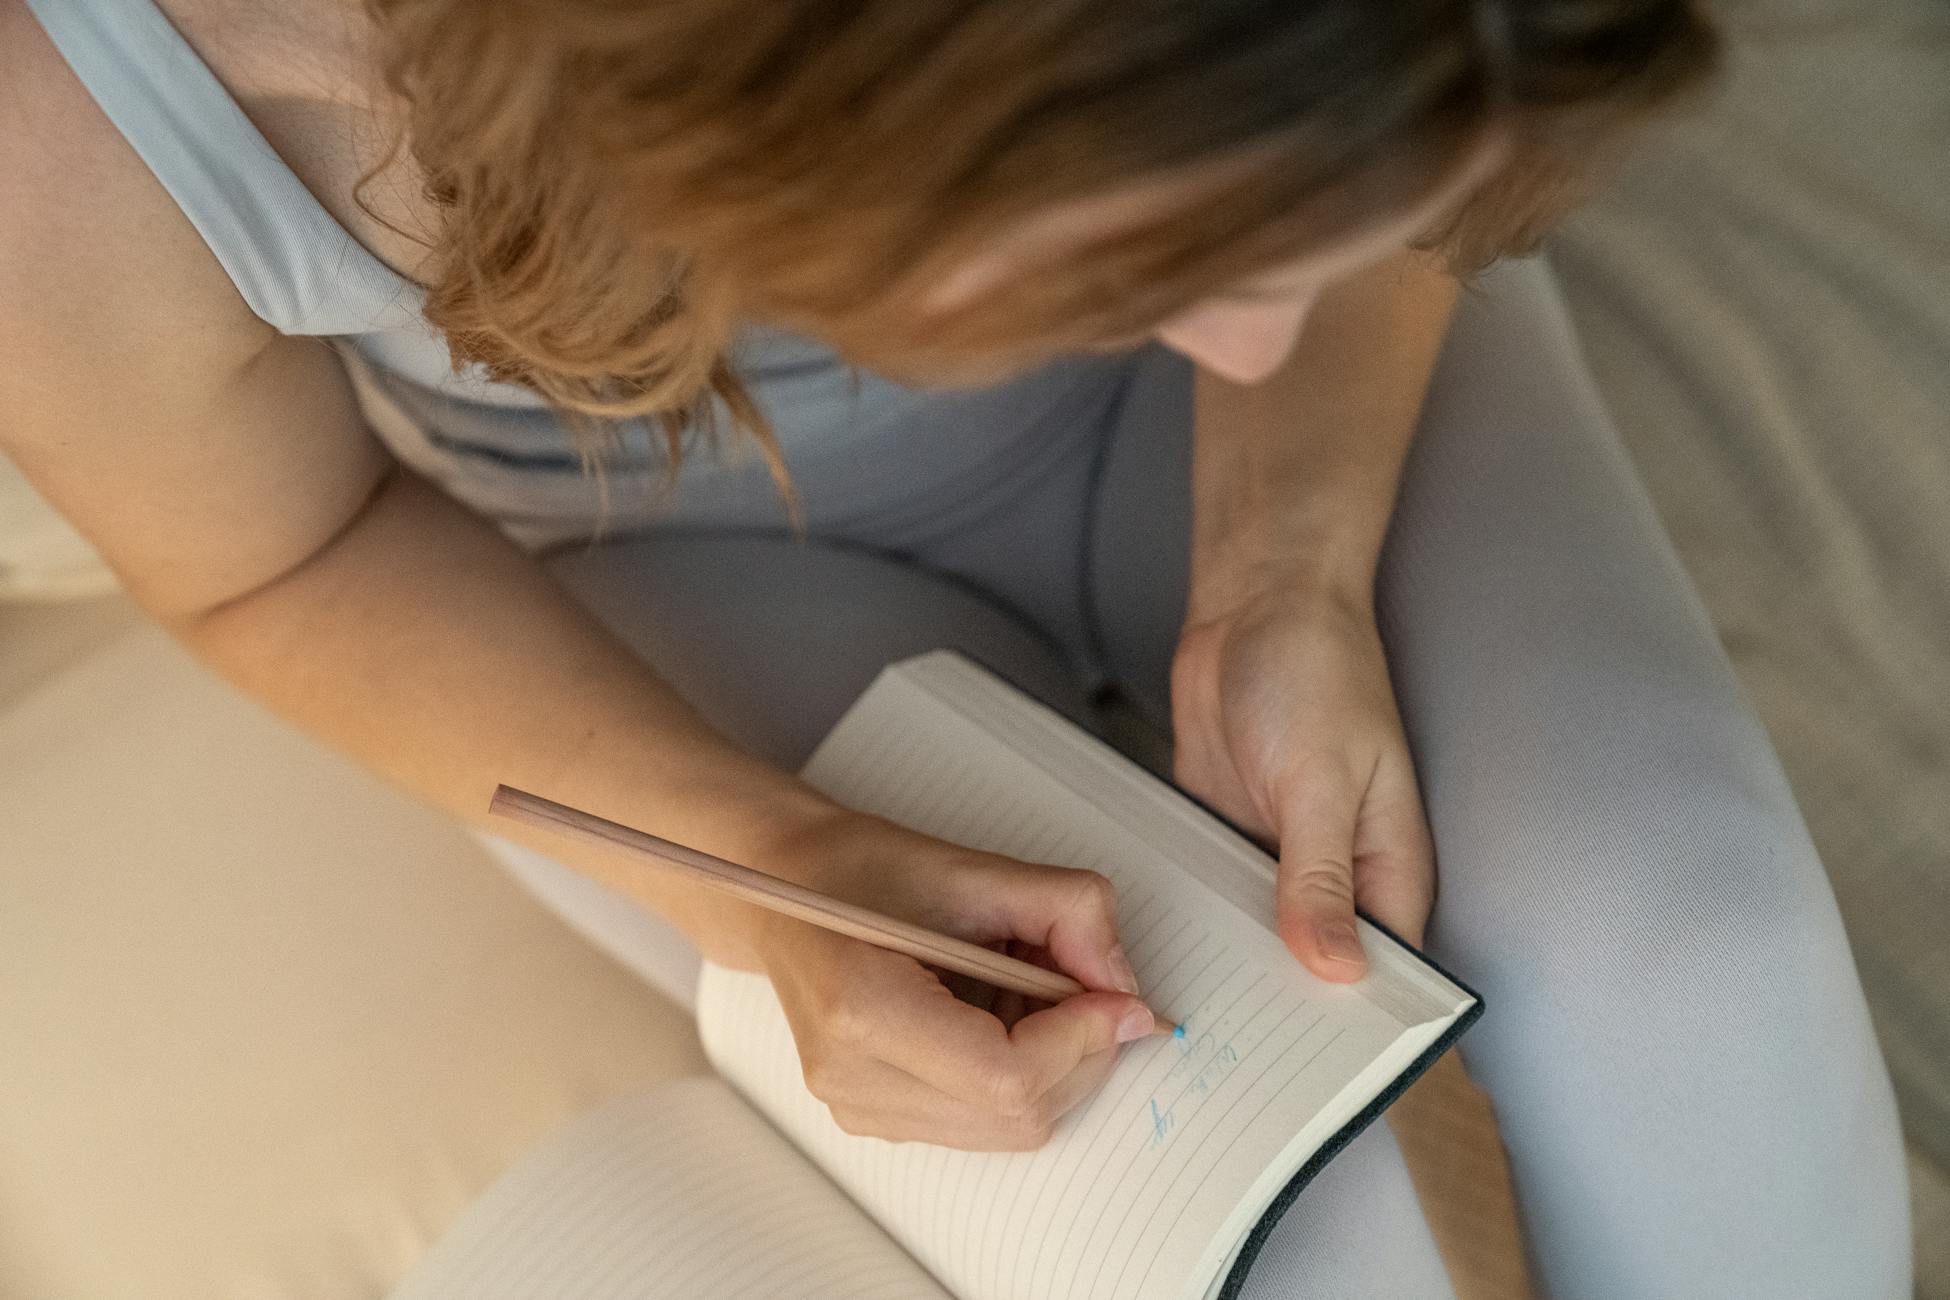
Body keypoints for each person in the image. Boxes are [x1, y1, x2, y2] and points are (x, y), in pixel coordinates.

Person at [0, 0, 1910, 1294]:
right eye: (1166, 256)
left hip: (1273, 461)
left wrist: (1287, 563)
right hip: (657, 546)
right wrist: (777, 885)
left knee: (1690, 948)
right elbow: (279, 556)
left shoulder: (1260, 266)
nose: (1231, 332)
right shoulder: (92, 102)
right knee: (1255, 1223)